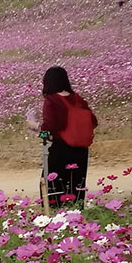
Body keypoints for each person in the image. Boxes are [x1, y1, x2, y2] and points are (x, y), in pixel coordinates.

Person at [40, 67, 98, 207]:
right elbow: (94, 122)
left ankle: (56, 215)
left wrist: (37, 130)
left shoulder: (52, 100)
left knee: (53, 185)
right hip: (81, 150)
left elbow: (49, 128)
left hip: (60, 149)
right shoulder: (78, 99)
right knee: (76, 185)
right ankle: (77, 213)